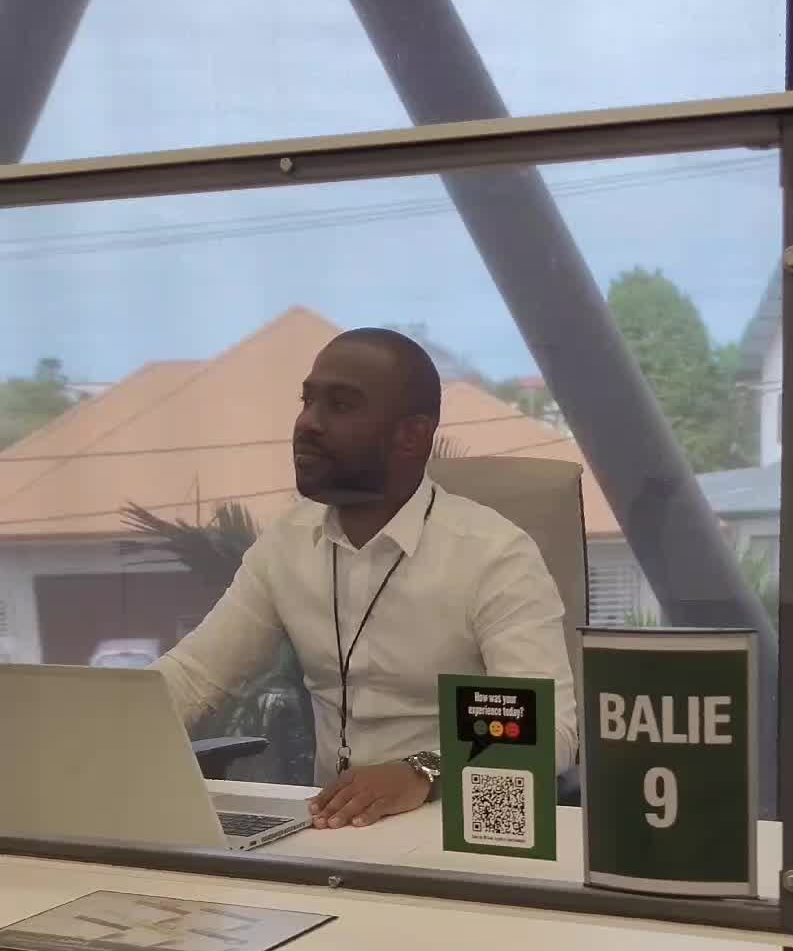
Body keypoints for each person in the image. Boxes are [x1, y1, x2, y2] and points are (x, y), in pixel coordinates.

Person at [156, 328, 578, 830]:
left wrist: (422, 772)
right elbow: (192, 678)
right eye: (308, 401)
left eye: (340, 405)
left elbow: (550, 732)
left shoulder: (495, 556)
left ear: (412, 435)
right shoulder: (286, 544)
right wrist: (93, 722)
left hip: (459, 828)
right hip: (332, 830)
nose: (307, 423)